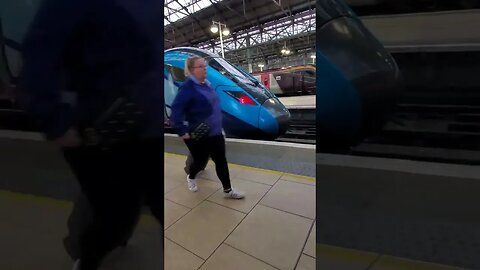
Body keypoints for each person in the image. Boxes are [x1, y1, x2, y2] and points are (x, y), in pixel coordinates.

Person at [19, 0, 163, 269]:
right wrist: (55, 121)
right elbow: (39, 52)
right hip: (103, 129)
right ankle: (88, 258)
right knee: (115, 212)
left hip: (147, 127)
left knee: (135, 206)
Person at [171, 56, 244, 199]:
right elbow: (176, 111)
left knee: (221, 160)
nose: (205, 69)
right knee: (199, 161)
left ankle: (228, 190)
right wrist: (181, 130)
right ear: (192, 70)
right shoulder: (187, 88)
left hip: (215, 132)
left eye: (205, 66)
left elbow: (214, 107)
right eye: (201, 66)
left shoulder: (207, 84)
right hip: (199, 133)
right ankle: (191, 177)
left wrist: (219, 127)